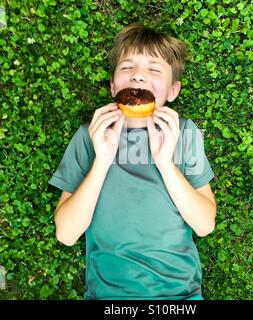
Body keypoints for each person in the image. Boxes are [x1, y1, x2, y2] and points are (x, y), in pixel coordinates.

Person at [48, 24, 217, 300]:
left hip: (179, 296)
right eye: (127, 67)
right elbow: (66, 234)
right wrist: (102, 160)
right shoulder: (88, 136)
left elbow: (205, 225)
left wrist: (165, 163)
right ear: (113, 86)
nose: (138, 76)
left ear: (173, 90)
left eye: (154, 69)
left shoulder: (185, 133)